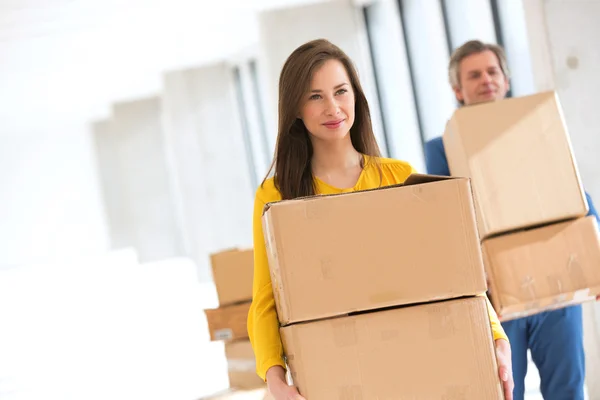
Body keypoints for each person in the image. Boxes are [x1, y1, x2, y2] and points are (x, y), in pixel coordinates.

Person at [247, 38, 514, 400]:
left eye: (341, 92)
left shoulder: (397, 177)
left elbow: (452, 270)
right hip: (335, 374)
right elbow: (266, 299)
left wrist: (497, 337)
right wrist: (274, 380)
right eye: (315, 96)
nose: (333, 107)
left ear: (356, 96)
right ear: (294, 106)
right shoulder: (275, 197)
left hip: (411, 362)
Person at [424, 39, 600, 400]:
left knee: (568, 390)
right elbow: (447, 222)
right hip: (495, 294)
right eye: (474, 75)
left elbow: (573, 193)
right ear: (458, 89)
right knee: (504, 391)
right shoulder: (441, 148)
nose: (486, 79)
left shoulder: (536, 129)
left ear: (506, 80)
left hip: (555, 285)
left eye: (493, 72)